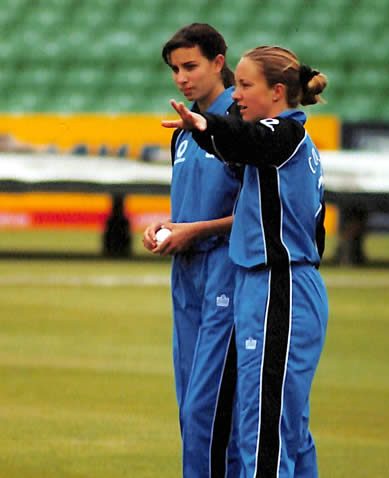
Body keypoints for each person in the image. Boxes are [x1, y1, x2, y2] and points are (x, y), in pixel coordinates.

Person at [162, 46, 329, 478]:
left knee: (263, 429)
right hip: (273, 284)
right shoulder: (288, 141)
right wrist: (204, 130)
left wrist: (205, 123)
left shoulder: (283, 134)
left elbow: (246, 138)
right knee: (285, 427)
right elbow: (240, 143)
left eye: (245, 85)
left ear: (277, 92)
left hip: (281, 285)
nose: (236, 94)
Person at [142, 24, 241, 478]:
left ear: (219, 63)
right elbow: (189, 203)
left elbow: (261, 214)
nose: (181, 78)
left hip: (226, 270)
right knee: (190, 407)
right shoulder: (182, 132)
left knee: (213, 408)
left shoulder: (242, 126)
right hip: (185, 274)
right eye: (175, 70)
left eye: (191, 66)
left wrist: (194, 231)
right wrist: (166, 227)